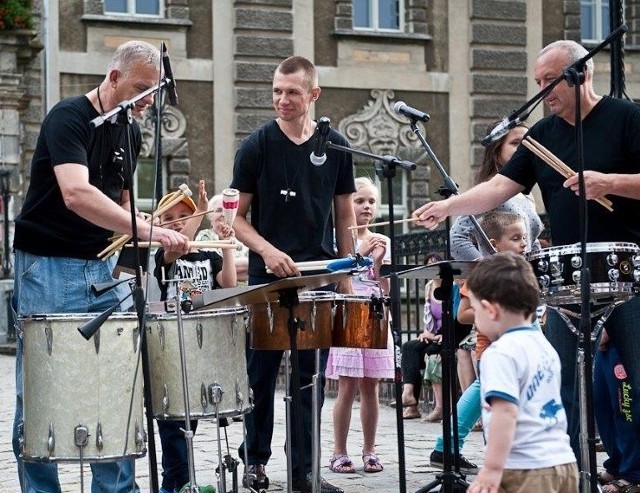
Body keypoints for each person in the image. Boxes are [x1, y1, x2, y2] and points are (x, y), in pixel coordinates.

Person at [413, 39, 640, 485]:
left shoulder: (627, 118)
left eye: (549, 81)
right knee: (561, 379)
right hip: (567, 275)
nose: (542, 91)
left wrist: (608, 182)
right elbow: (500, 187)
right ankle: (571, 475)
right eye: (537, 82)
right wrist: (449, 207)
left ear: (581, 74)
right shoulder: (541, 137)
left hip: (629, 268)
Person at [11, 40, 190, 493]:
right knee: (41, 389)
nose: (148, 98)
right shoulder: (68, 117)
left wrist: (151, 236)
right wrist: (147, 228)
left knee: (115, 386)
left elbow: (122, 204)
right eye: (140, 87)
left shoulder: (129, 130)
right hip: (46, 267)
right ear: (113, 78)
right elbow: (77, 194)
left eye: (155, 88)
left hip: (99, 268)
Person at [230, 55, 356, 493]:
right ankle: (254, 463)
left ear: (313, 94)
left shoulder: (335, 146)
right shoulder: (256, 146)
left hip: (317, 279)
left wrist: (347, 271)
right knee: (259, 378)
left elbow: (345, 219)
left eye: (292, 92)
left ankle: (304, 469)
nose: (282, 100)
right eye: (276, 92)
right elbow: (235, 219)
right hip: (268, 280)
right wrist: (268, 251)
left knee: (309, 381)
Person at [466, 252, 578, 493]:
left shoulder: (500, 353)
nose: (476, 319)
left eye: (475, 310)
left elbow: (505, 411)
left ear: (490, 309)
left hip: (523, 468)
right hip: (562, 462)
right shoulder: (544, 346)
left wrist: (492, 468)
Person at [429, 211, 528, 474]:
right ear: (494, 244)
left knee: (483, 393)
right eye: (516, 238)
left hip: (517, 349)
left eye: (524, 238)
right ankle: (449, 448)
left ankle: (446, 448)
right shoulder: (481, 274)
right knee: (488, 397)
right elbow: (462, 313)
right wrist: (503, 312)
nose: (524, 244)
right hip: (492, 350)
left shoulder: (522, 272)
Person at [153, 181, 237, 493]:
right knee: (172, 421)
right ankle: (179, 482)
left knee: (189, 420)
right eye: (168, 217)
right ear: (159, 224)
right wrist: (198, 214)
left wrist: (225, 245)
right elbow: (179, 242)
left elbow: (227, 284)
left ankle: (174, 482)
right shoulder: (164, 256)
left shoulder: (207, 256)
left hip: (200, 345)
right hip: (171, 344)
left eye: (182, 215)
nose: (175, 221)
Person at [325, 176, 394, 474]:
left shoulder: (383, 240)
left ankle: (369, 449)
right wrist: (362, 253)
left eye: (371, 201)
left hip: (375, 313)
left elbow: (386, 288)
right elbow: (337, 280)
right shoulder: (337, 239)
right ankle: (339, 450)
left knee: (371, 386)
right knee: (347, 386)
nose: (366, 206)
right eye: (359, 200)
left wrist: (378, 263)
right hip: (348, 311)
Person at [399, 252, 449, 421]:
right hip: (434, 335)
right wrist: (426, 333)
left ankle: (440, 408)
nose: (432, 269)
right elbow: (429, 316)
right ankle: (410, 398)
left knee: (432, 353)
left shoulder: (451, 286)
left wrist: (438, 336)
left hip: (448, 336)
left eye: (436, 264)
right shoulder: (429, 287)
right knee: (410, 347)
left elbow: (455, 317)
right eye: (429, 265)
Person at [195, 193, 249, 282]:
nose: (223, 214)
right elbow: (212, 266)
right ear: (210, 215)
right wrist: (245, 268)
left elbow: (254, 265)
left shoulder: (241, 236)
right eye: (219, 210)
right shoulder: (205, 236)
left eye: (227, 210)